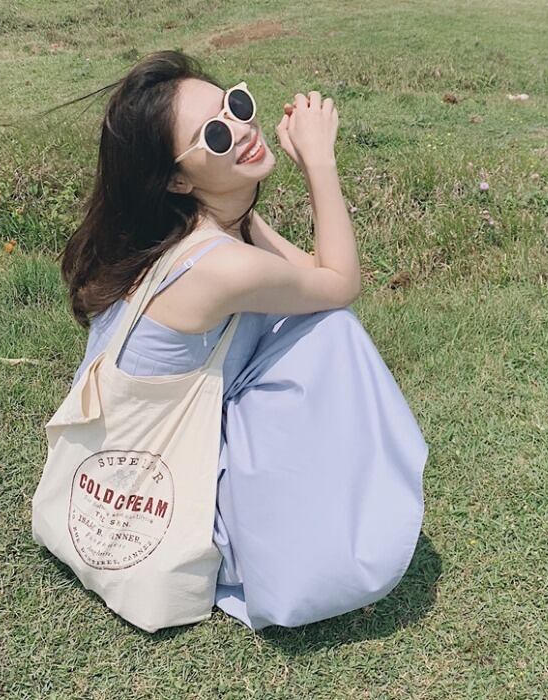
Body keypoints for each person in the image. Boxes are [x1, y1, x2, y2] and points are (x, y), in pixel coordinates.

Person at [62, 49, 429, 630]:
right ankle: (299, 546)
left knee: (321, 324)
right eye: (213, 134)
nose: (239, 129)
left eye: (234, 105)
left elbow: (317, 276)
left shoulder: (210, 226)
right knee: (333, 334)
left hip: (138, 454)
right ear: (178, 179)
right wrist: (319, 162)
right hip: (162, 484)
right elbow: (339, 283)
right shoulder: (218, 264)